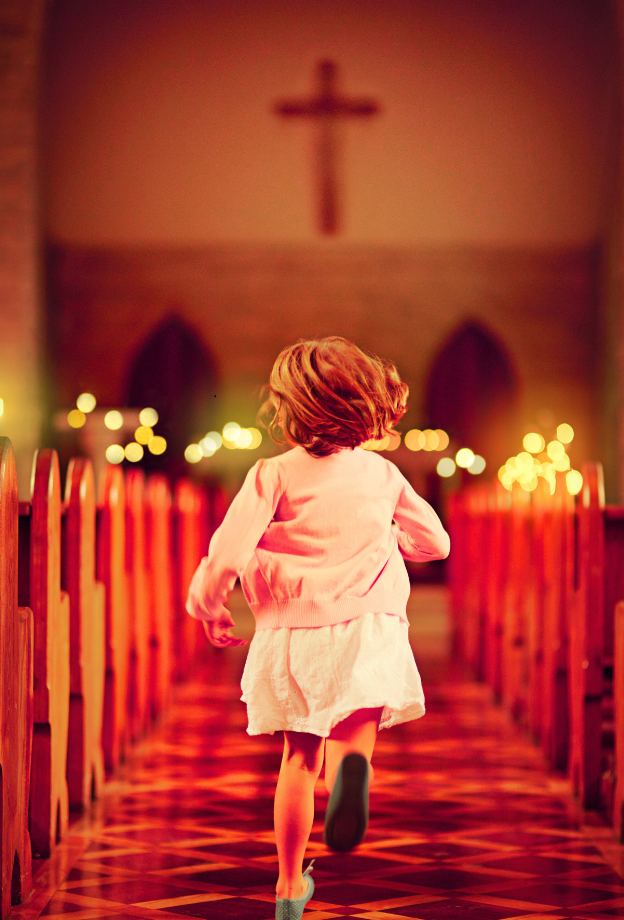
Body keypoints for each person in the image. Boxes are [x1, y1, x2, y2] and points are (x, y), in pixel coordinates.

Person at [186, 336, 450, 920]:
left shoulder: (271, 474)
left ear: (290, 408)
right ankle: (353, 769)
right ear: (365, 404)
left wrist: (208, 603)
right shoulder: (380, 473)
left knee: (298, 762)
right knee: (353, 737)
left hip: (293, 634)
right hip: (368, 627)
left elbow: (227, 553)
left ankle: (286, 888)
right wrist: (390, 539)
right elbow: (436, 542)